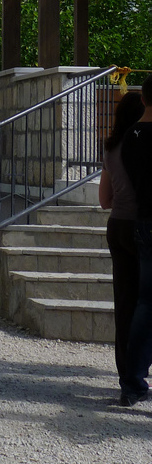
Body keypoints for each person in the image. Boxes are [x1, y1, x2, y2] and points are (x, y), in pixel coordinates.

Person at [100, 90, 145, 391]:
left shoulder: (110, 146)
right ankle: (141, 368)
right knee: (147, 302)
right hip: (141, 227)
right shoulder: (141, 144)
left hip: (116, 226)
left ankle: (124, 370)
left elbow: (104, 199)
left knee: (124, 301)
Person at [120, 74, 152, 406]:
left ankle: (133, 381)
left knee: (145, 303)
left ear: (143, 99)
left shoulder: (131, 136)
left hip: (143, 220)